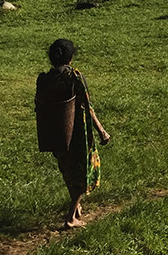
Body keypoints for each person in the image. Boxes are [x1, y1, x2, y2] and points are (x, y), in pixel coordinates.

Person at [35, 39, 111, 227]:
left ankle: (76, 207)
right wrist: (101, 130)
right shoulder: (73, 77)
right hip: (77, 132)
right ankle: (71, 217)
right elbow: (87, 105)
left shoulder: (44, 79)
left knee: (67, 170)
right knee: (83, 172)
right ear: (70, 58)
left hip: (55, 130)